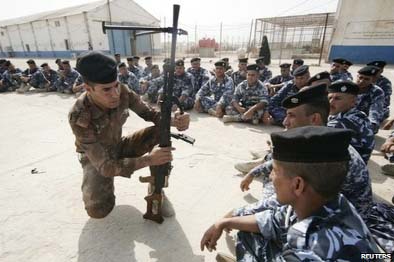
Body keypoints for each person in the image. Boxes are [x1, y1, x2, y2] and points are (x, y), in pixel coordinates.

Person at [201, 126, 381, 261]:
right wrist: (224, 222)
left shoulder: (311, 252)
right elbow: (272, 220)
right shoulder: (327, 201)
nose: (270, 177)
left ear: (297, 185)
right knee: (246, 231)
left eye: (275, 171)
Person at [68, 51, 190, 218]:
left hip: (119, 144)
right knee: (98, 210)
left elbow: (150, 114)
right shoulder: (80, 115)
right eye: (106, 90)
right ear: (88, 89)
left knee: (161, 131)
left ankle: (157, 189)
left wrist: (174, 121)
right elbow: (105, 166)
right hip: (95, 158)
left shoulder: (123, 91)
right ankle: (103, 189)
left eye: (116, 85)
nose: (115, 94)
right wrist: (149, 159)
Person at [327, 81, 374, 163]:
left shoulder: (348, 121)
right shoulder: (346, 114)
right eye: (330, 98)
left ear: (353, 102)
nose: (331, 102)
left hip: (349, 170)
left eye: (337, 98)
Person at [356, 65, 385, 133]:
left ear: (373, 80)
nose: (362, 81)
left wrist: (372, 123)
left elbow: (375, 110)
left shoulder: (377, 92)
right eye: (360, 77)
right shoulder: (349, 87)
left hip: (364, 119)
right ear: (357, 76)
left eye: (366, 79)